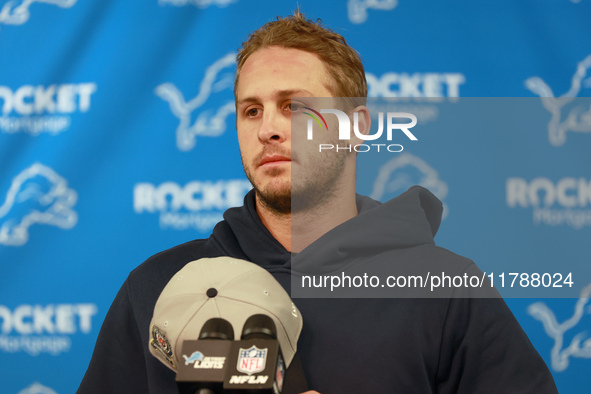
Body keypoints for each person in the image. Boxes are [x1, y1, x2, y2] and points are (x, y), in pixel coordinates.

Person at [78, 11, 558, 393]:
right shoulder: (158, 286)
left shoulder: (446, 289)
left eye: (294, 106)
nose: (269, 128)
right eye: (251, 110)